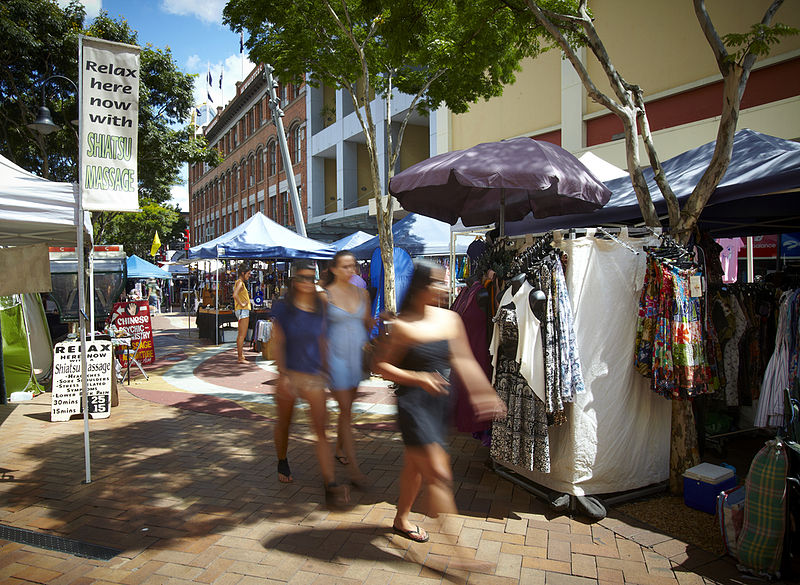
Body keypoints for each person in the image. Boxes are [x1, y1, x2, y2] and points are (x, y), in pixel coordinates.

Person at [374, 259, 506, 549]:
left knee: (415, 468)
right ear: (421, 287)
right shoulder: (403, 325)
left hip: (438, 406)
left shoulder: (450, 319)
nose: (443, 287)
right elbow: (382, 366)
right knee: (439, 474)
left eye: (443, 281)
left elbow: (465, 361)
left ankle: (401, 519)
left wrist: (485, 393)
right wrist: (419, 378)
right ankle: (462, 559)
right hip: (413, 406)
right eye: (436, 282)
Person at [271, 260, 349, 507]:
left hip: (314, 375)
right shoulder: (282, 308)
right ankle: (282, 460)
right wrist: (282, 374)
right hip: (290, 374)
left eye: (310, 277)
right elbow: (277, 342)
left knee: (321, 432)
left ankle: (330, 483)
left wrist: (328, 370)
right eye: (301, 278)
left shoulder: (321, 305)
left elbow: (324, 340)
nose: (306, 282)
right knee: (284, 423)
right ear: (293, 280)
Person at [322, 250, 372, 486]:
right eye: (344, 266)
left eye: (352, 266)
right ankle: (354, 470)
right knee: (345, 412)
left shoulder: (363, 293)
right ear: (333, 269)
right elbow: (320, 333)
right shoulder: (326, 296)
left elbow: (368, 324)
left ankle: (340, 449)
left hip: (357, 358)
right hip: (337, 359)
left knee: (347, 410)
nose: (350, 270)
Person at [233, 264, 252, 364]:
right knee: (242, 335)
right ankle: (240, 357)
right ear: (243, 273)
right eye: (248, 274)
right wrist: (242, 303)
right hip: (242, 310)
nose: (249, 276)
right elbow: (235, 295)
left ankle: (241, 356)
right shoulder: (240, 283)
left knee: (241, 335)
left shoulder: (239, 282)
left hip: (241, 310)